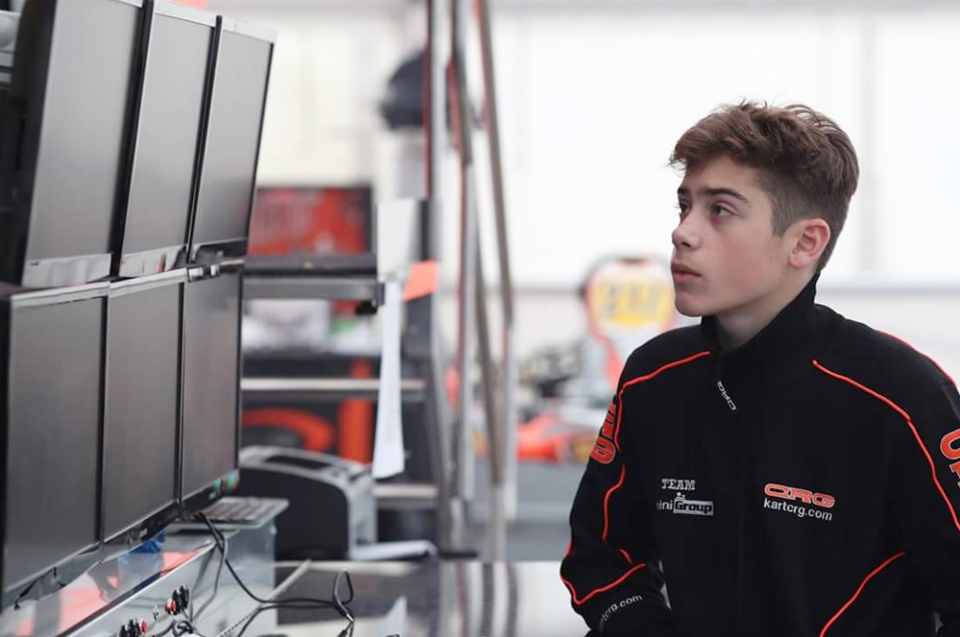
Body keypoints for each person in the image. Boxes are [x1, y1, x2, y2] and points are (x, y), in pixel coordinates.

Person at [559, 101, 960, 637]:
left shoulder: (902, 396)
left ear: (805, 242)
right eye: (684, 206)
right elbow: (600, 558)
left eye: (720, 210)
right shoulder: (654, 378)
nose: (683, 233)